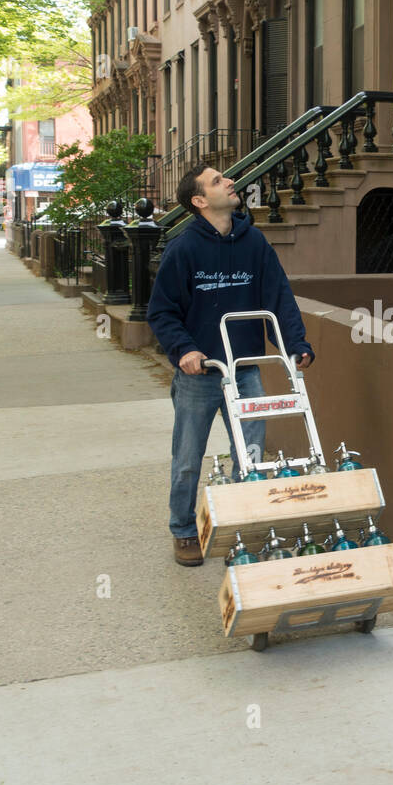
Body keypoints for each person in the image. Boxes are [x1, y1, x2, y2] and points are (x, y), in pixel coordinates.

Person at [146, 162, 315, 566]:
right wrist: (184, 350)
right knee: (188, 458)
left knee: (250, 455)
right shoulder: (184, 248)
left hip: (245, 369)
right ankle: (184, 530)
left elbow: (279, 298)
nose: (230, 181)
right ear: (200, 200)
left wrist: (295, 344)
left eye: (226, 177)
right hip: (201, 375)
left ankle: (240, 530)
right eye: (218, 180)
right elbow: (161, 312)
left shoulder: (253, 242)